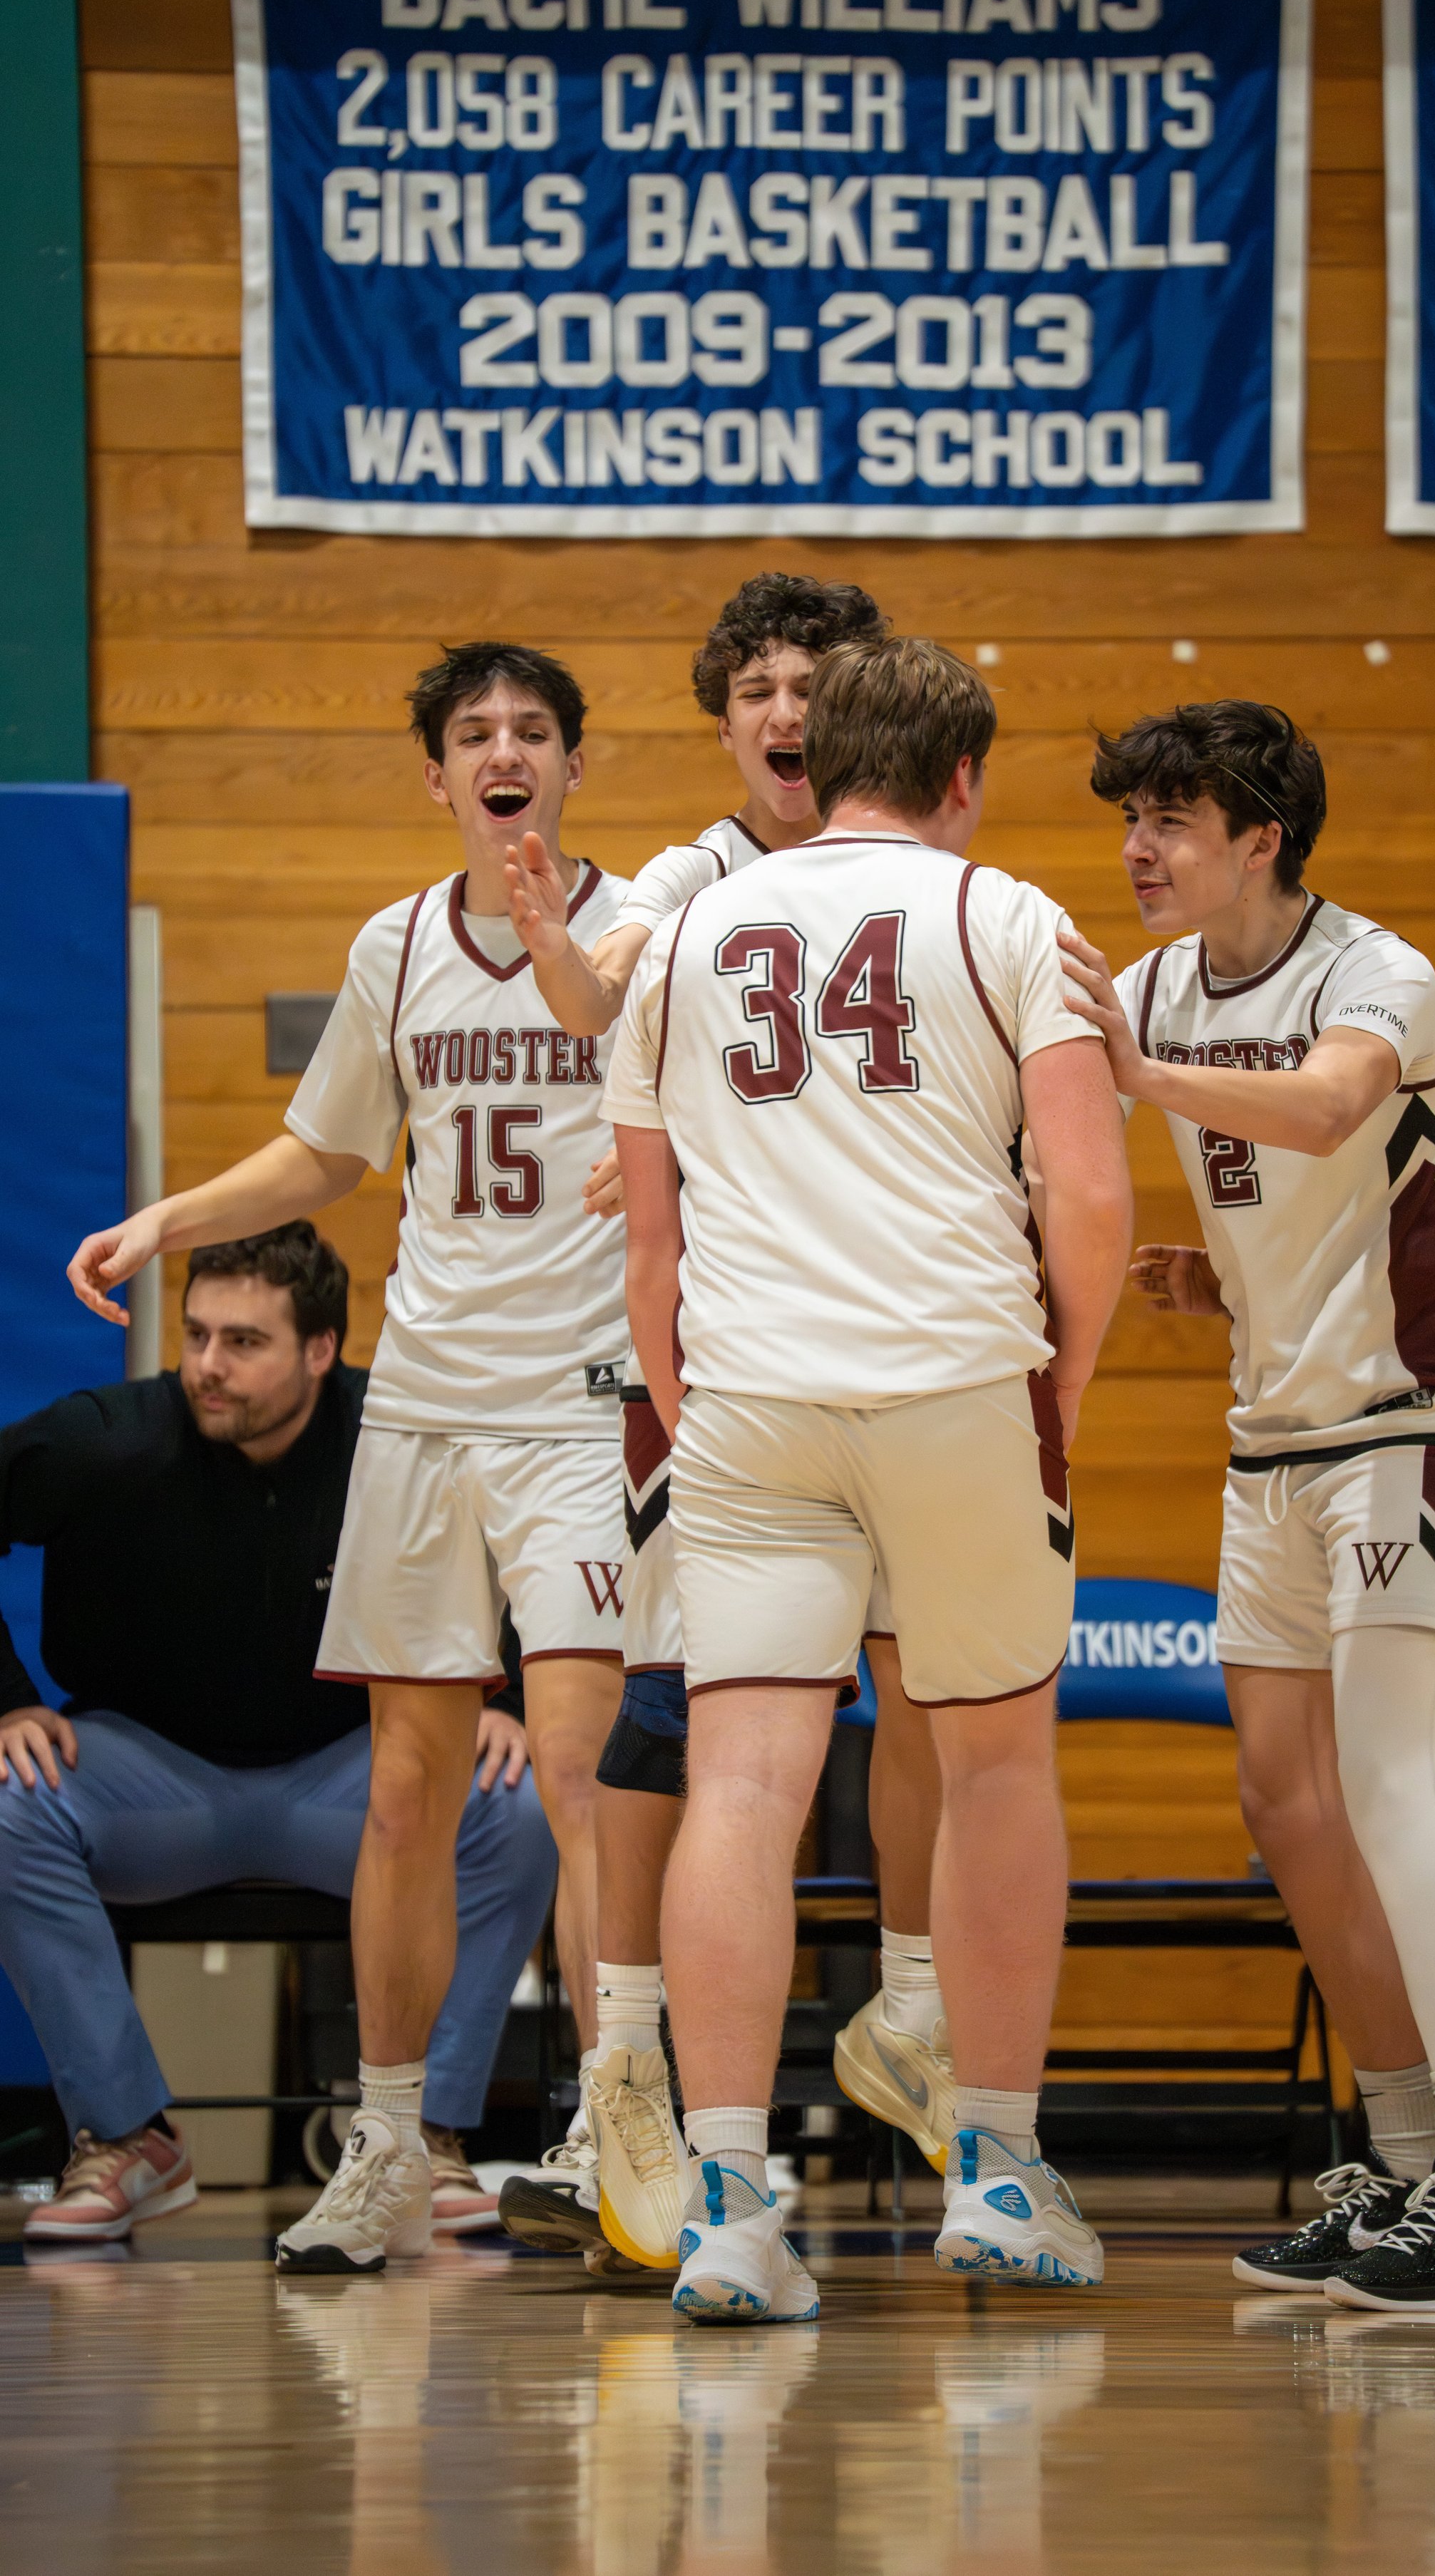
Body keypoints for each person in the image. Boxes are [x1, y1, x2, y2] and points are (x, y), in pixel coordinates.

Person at [66, 643, 642, 2274]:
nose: (505, 751)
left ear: (573, 768)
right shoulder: (393, 946)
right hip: (430, 1409)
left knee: (590, 1781)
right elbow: (331, 1148)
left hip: (584, 1405)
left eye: (534, 731)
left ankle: (612, 2124)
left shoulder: (634, 932)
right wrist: (171, 1215)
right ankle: (389, 2141)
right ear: (438, 775)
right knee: (410, 1788)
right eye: (475, 734)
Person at [604, 633, 1133, 2322]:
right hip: (957, 1384)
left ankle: (732, 2204)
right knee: (988, 1771)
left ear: (812, 756)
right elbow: (1088, 1199)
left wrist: (693, 1395)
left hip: (751, 1397)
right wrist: (1071, 1375)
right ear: (962, 775)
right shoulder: (1010, 919)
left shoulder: (673, 938)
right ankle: (991, 2165)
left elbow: (648, 1234)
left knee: (742, 1790)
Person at [1063, 700, 1435, 2313]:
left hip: (1401, 1429)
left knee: (1387, 1787)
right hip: (1266, 1435)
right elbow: (1272, 1187)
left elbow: (1334, 1107)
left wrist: (1140, 1073)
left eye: (1169, 819)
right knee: (1285, 1807)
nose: (1136, 848)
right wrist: (1215, 1280)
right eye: (1129, 817)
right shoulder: (1144, 986)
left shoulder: (1375, 971)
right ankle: (1406, 2163)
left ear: (1259, 834)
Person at [496, 575, 954, 2277]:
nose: (783, 707)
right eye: (754, 684)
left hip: (899, 1357)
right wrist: (554, 948)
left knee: (926, 1686)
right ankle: (620, 2069)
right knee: (676, 1721)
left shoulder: (930, 883)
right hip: (718, 1368)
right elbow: (591, 993)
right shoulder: (693, 876)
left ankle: (910, 2009)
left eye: (813, 680)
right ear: (724, 724)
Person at [0, 1225, 552, 2242]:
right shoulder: (107, 1438)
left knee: (515, 1807)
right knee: (8, 1807)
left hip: (347, 1780)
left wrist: (508, 1699)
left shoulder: (399, 1434)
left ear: (319, 1350)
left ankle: (418, 2135)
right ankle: (125, 2137)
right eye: (197, 1335)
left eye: (243, 1342)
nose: (209, 1367)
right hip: (148, 1776)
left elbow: (528, 1538)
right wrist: (5, 1696)